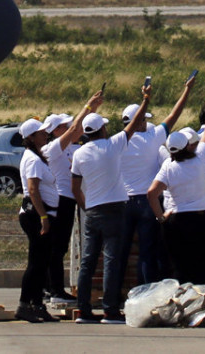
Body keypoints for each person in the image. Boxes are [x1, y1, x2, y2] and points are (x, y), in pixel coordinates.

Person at [71, 82, 152, 325]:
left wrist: (87, 206)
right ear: (102, 130)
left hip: (93, 209)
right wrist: (146, 100)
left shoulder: (79, 154)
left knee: (87, 261)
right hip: (115, 209)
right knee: (111, 260)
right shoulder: (113, 145)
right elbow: (134, 123)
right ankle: (110, 310)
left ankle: (84, 310)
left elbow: (75, 187)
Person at [118, 77, 195, 286]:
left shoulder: (117, 141)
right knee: (147, 252)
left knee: (120, 253)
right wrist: (187, 90)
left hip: (123, 201)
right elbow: (174, 115)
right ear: (140, 120)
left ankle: (113, 301)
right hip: (147, 201)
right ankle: (146, 293)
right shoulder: (151, 137)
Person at [147, 91, 205, 285]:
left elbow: (152, 193)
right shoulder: (201, 158)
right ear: (188, 147)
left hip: (177, 221)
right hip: (202, 219)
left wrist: (161, 217)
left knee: (182, 269)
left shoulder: (168, 167)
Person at [41, 97, 102, 304]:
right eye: (63, 126)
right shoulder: (52, 149)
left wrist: (91, 109)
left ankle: (51, 287)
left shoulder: (68, 148)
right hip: (60, 200)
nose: (68, 127)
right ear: (55, 130)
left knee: (59, 247)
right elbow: (76, 129)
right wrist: (88, 106)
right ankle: (55, 290)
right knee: (57, 248)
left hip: (68, 199)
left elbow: (77, 132)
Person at [15, 116, 60, 323]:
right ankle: (25, 304)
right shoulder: (32, 160)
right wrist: (43, 217)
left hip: (42, 214)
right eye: (41, 133)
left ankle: (37, 304)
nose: (45, 134)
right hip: (35, 215)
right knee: (36, 262)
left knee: (42, 262)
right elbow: (33, 190)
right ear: (31, 137)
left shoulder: (36, 156)